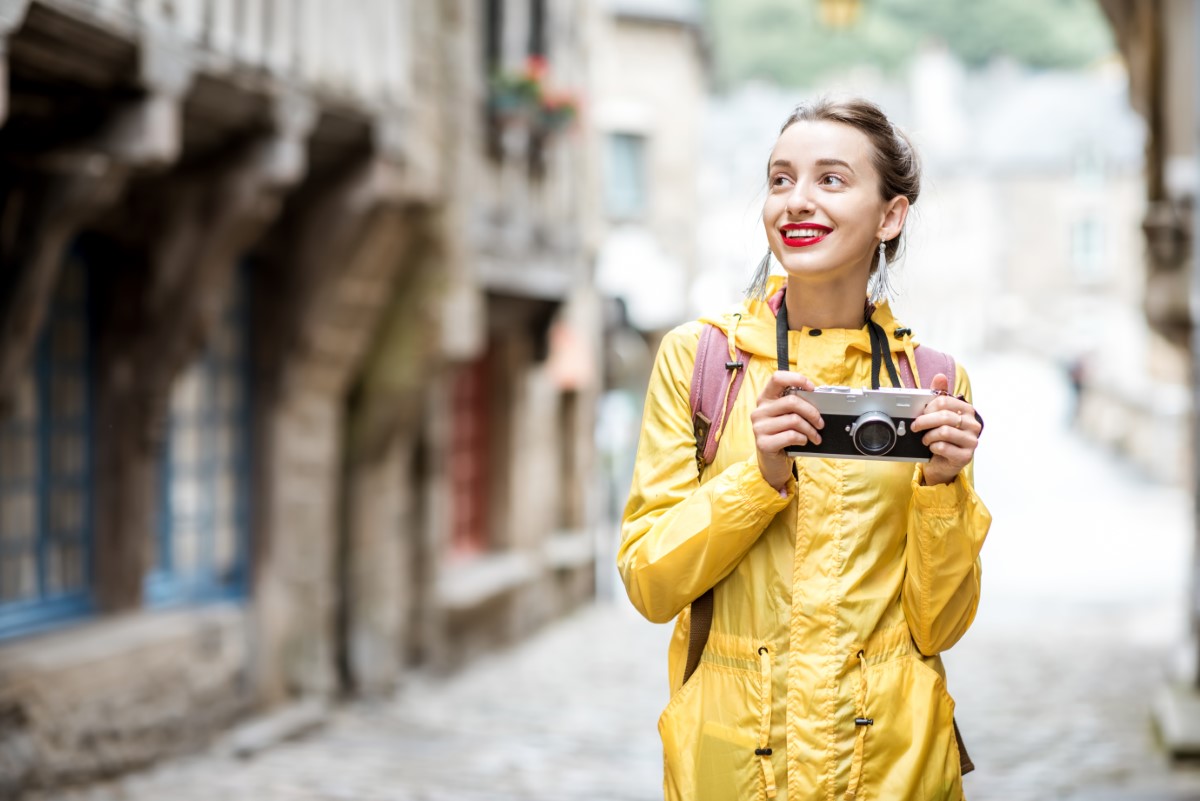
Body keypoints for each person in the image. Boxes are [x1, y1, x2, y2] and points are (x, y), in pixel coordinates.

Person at [617, 98, 991, 801]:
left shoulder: (930, 379)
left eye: (830, 179)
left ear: (890, 215)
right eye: (780, 178)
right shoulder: (701, 361)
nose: (796, 200)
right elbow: (648, 580)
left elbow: (939, 623)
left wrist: (944, 489)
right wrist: (758, 479)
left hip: (892, 767)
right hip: (732, 767)